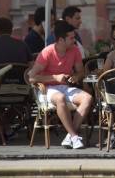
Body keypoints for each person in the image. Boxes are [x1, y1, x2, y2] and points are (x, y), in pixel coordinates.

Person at [27, 20, 92, 149]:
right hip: (46, 89)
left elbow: (81, 71)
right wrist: (55, 77)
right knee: (60, 98)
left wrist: (76, 77)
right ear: (61, 40)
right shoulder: (47, 52)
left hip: (64, 87)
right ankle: (74, 136)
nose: (75, 40)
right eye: (72, 38)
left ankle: (70, 136)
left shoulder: (74, 50)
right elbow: (31, 77)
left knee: (88, 98)